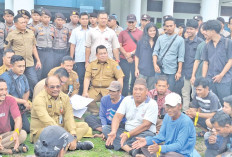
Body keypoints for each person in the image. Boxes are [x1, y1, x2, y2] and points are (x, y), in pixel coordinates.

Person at [30, 75, 94, 151]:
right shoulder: (39, 99)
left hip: (61, 128)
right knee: (50, 132)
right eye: (52, 87)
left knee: (84, 126)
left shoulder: (64, 97)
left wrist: (73, 135)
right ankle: (72, 145)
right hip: (44, 131)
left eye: (58, 86)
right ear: (45, 87)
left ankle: (65, 145)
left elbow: (69, 117)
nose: (55, 89)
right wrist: (65, 135)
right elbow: (47, 121)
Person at [104, 78, 158, 156]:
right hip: (126, 132)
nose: (137, 92)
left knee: (146, 137)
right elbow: (117, 117)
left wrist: (128, 135)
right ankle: (130, 150)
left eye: (140, 89)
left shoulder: (152, 103)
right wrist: (113, 131)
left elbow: (146, 125)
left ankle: (119, 144)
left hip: (143, 133)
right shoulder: (127, 99)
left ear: (146, 91)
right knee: (106, 129)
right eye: (135, 89)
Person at [132, 92, 196, 157]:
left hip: (181, 153)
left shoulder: (185, 121)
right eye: (167, 106)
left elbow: (179, 145)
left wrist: (160, 148)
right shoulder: (167, 116)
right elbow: (161, 136)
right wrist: (146, 141)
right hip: (168, 150)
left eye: (172, 107)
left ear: (180, 106)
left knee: (169, 155)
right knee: (146, 145)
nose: (169, 109)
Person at [5, 14, 41, 96]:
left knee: (33, 81)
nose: (24, 24)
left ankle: (33, 98)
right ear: (16, 24)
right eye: (21, 23)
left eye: (25, 22)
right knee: (17, 81)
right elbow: (7, 49)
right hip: (17, 63)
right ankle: (20, 100)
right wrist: (7, 61)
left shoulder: (31, 33)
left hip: (29, 62)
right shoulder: (11, 34)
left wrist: (38, 60)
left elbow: (34, 47)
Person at [83, 45, 124, 115]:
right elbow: (87, 78)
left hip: (109, 90)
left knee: (113, 102)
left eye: (105, 53)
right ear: (96, 55)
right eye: (101, 54)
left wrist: (119, 91)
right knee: (86, 99)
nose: (103, 55)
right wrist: (85, 92)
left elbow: (120, 77)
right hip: (95, 89)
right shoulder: (92, 64)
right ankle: (96, 112)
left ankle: (106, 112)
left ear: (107, 53)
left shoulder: (113, 64)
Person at [202, 20, 232, 105]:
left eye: (206, 30)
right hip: (210, 80)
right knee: (212, 104)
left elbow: (230, 60)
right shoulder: (207, 45)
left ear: (213, 31)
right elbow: (205, 63)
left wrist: (221, 75)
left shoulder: (228, 42)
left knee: (225, 104)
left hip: (224, 80)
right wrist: (203, 79)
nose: (205, 33)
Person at [153, 17, 185, 95]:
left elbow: (181, 57)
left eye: (171, 26)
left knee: (169, 91)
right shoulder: (160, 38)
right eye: (167, 26)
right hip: (160, 69)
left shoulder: (180, 40)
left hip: (172, 70)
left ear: (175, 26)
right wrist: (155, 64)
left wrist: (179, 72)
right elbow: (155, 52)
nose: (169, 28)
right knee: (158, 90)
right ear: (164, 27)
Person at [0, 55, 31, 133]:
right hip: (7, 108)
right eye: (19, 66)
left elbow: (27, 91)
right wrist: (23, 102)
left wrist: (24, 103)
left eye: (23, 66)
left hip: (19, 108)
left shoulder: (23, 76)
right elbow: (5, 95)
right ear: (11, 66)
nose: (22, 69)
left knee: (27, 129)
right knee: (7, 129)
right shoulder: (5, 77)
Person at [0, 79, 28, 155]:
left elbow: (18, 118)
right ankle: (10, 151)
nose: (4, 93)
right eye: (1, 90)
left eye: (6, 89)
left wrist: (16, 132)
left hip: (6, 136)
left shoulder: (10, 100)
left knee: (22, 134)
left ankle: (4, 148)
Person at [119, 14, 143, 96]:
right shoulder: (122, 33)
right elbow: (120, 45)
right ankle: (124, 96)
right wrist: (126, 55)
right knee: (124, 78)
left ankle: (133, 96)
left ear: (136, 22)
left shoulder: (141, 33)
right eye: (129, 22)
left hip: (136, 59)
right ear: (126, 22)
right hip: (124, 58)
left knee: (134, 78)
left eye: (132, 22)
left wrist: (131, 54)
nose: (131, 24)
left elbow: (141, 46)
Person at [182, 19, 203, 111]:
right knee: (185, 93)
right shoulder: (183, 42)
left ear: (196, 29)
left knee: (195, 95)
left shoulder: (201, 42)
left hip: (196, 75)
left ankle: (195, 115)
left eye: (191, 29)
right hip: (185, 73)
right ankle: (185, 112)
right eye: (188, 28)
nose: (189, 31)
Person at [69, 12, 90, 95]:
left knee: (90, 78)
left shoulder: (93, 31)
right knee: (80, 78)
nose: (85, 21)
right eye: (83, 19)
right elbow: (72, 45)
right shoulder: (75, 31)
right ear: (79, 20)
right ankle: (80, 96)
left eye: (86, 19)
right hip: (80, 59)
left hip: (91, 59)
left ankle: (88, 95)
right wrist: (71, 59)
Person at [135, 22, 158, 90]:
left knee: (151, 91)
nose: (152, 32)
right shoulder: (141, 42)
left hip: (153, 72)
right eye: (150, 31)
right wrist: (136, 69)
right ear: (146, 31)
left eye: (154, 30)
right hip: (142, 71)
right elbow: (137, 56)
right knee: (140, 89)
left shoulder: (158, 42)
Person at [34, 8, 55, 80]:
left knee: (48, 71)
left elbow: (54, 40)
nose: (47, 19)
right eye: (45, 17)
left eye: (48, 17)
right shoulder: (36, 28)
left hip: (50, 52)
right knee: (38, 71)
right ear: (41, 18)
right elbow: (33, 41)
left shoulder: (53, 28)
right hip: (40, 52)